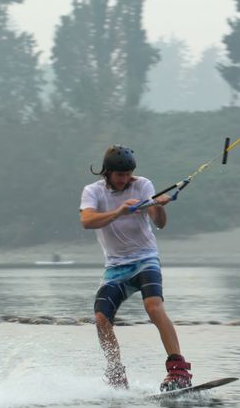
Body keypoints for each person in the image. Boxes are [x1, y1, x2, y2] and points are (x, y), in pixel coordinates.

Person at [79, 145, 193, 391]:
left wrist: (159, 206)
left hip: (145, 259)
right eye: (120, 175)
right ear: (107, 172)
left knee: (153, 306)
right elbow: (87, 221)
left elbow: (159, 223)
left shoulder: (142, 185)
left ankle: (178, 371)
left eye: (129, 174)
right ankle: (117, 374)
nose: (125, 179)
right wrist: (120, 210)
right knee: (101, 318)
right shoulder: (93, 192)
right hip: (116, 267)